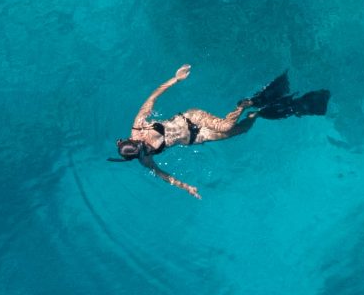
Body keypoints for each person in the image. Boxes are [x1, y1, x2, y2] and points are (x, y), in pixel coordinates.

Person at [112, 63, 329, 198]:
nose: (146, 144)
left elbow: (152, 97)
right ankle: (257, 112)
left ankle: (244, 104)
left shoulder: (139, 125)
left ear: (135, 140)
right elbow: (163, 175)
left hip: (191, 118)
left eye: (143, 143)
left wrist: (175, 79)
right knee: (240, 130)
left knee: (227, 125)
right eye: (144, 149)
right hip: (197, 137)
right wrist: (186, 187)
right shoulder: (145, 159)